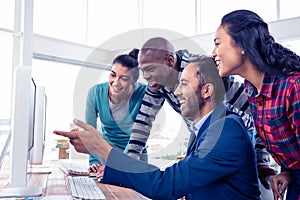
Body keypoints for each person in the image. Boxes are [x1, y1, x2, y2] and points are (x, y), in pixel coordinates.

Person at [54, 55, 261, 199]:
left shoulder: (225, 130)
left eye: (185, 84)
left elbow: (165, 184)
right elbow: (184, 182)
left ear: (207, 91)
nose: (177, 92)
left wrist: (102, 149)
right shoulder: (206, 127)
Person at [127, 37, 275, 190]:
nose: (145, 77)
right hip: (202, 132)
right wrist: (129, 163)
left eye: (150, 69)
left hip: (234, 135)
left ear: (170, 61)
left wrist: (261, 159)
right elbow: (143, 122)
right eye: (142, 71)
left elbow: (261, 112)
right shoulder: (157, 83)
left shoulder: (202, 69)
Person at [211, 9, 300, 200]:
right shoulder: (251, 90)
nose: (213, 53)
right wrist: (288, 170)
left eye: (217, 44)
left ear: (242, 44)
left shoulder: (294, 87)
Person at [85, 49, 147, 173]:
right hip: (107, 152)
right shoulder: (96, 93)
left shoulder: (143, 94)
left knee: (134, 192)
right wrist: (94, 161)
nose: (116, 83)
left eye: (124, 78)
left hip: (135, 154)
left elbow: (140, 133)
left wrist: (121, 165)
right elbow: (90, 131)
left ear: (133, 81)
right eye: (113, 75)